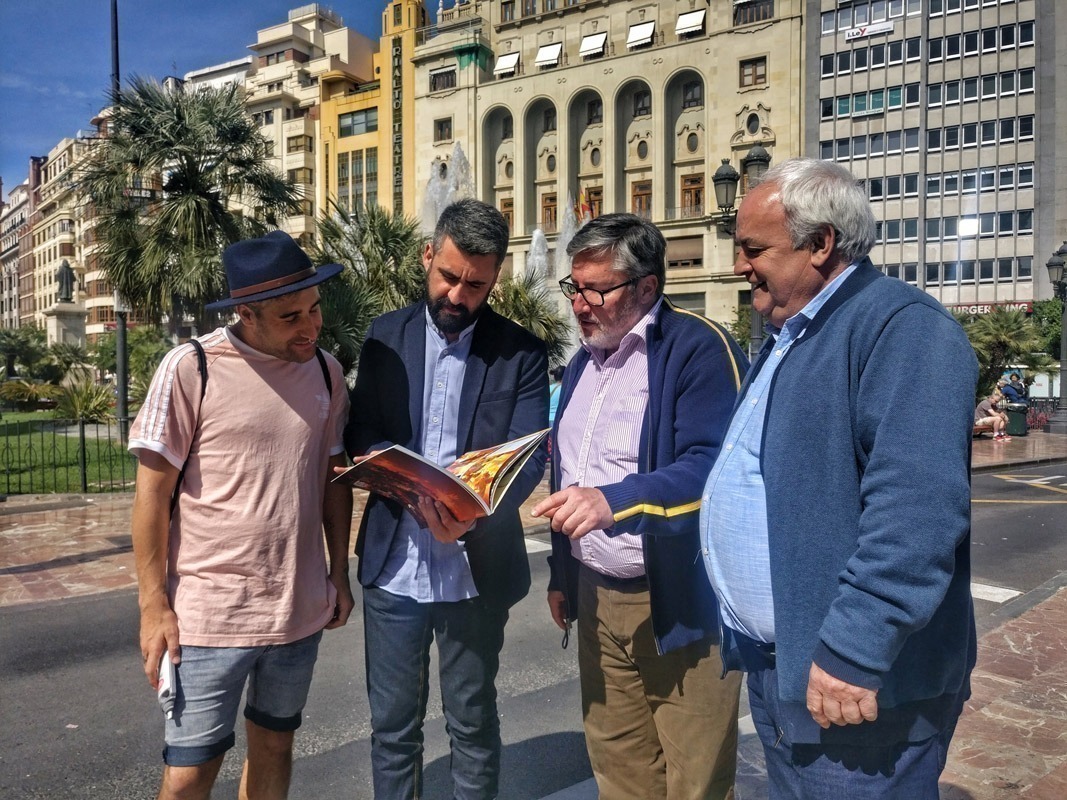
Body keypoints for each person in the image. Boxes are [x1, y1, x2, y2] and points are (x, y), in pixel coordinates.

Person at [701, 159, 978, 798]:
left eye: (754, 248)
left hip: (857, 690)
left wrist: (855, 649)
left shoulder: (903, 329)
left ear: (821, 244)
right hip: (793, 674)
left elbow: (916, 512)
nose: (740, 265)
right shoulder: (794, 332)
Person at [129, 230, 354, 800]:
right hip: (208, 616)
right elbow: (152, 496)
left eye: (314, 310)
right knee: (188, 775)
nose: (309, 328)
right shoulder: (193, 367)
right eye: (289, 317)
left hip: (297, 612)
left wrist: (338, 575)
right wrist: (153, 606)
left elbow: (333, 480)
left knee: (275, 747)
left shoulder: (327, 372)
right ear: (245, 314)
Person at [533, 214, 748, 800]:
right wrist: (561, 570)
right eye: (574, 288)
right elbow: (570, 470)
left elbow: (714, 469)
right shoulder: (583, 362)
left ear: (647, 288)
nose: (580, 305)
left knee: (695, 778)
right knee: (620, 768)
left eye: (597, 290)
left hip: (680, 601)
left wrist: (616, 501)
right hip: (595, 595)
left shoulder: (698, 348)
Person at [345, 198, 548, 799]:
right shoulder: (385, 337)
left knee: (472, 721)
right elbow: (361, 431)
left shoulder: (522, 353)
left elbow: (530, 455)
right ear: (427, 256)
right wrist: (378, 464)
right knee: (392, 729)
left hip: (474, 571)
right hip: (394, 566)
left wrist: (473, 517)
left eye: (476, 285)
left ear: (496, 278)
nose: (458, 296)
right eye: (449, 277)